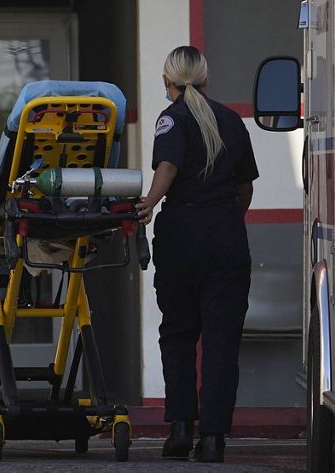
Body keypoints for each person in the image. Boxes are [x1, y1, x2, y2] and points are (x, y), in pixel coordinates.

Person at [135, 45, 259, 464]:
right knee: (222, 342)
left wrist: (148, 203)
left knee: (178, 334)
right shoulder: (230, 120)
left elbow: (166, 169)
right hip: (225, 236)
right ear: (205, 79)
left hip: (182, 236)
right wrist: (223, 219)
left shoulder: (172, 118)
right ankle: (214, 439)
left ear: (167, 82)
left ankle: (181, 430)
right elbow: (245, 188)